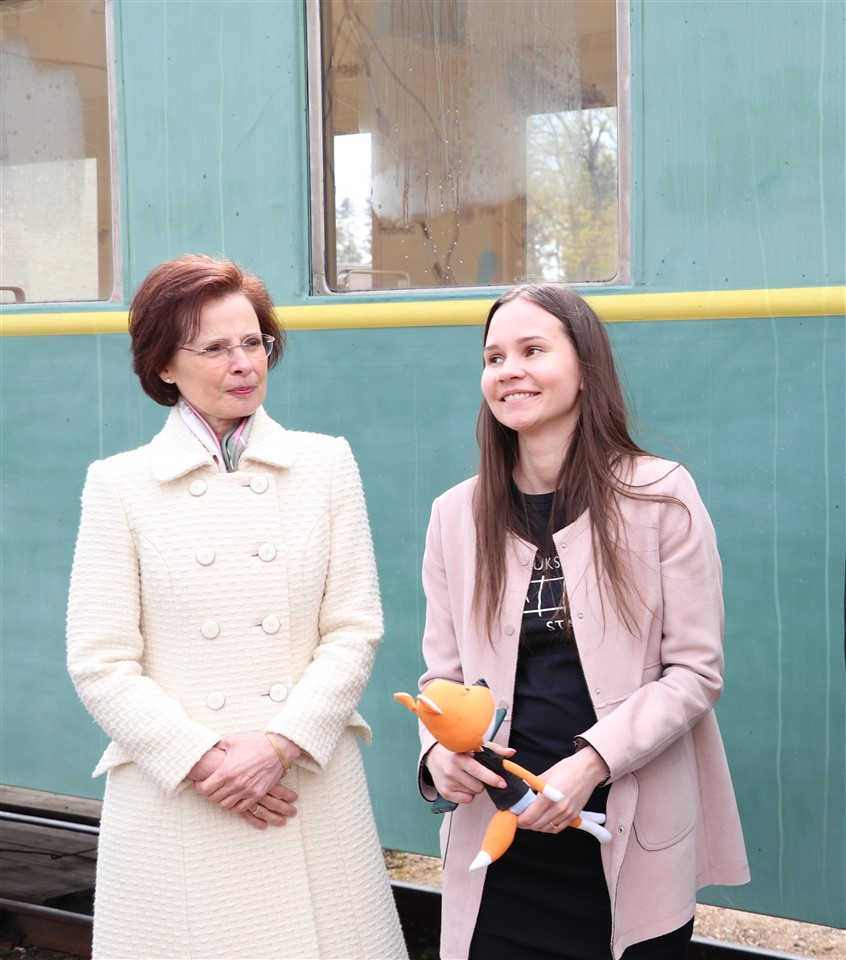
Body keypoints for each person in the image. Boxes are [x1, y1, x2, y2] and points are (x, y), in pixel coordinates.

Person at [66, 254, 407, 960]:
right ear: (165, 365)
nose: (244, 363)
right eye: (216, 348)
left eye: (254, 342)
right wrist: (203, 762)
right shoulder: (119, 485)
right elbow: (100, 660)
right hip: (178, 797)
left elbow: (354, 628)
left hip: (304, 783)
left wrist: (278, 746)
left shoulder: (325, 464)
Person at [416, 283, 750, 960]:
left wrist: (591, 763)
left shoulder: (662, 496)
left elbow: (695, 672)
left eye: (532, 350)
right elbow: (441, 680)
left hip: (624, 841)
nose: (509, 370)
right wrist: (437, 756)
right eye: (494, 357)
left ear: (586, 369)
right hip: (498, 848)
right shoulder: (454, 514)